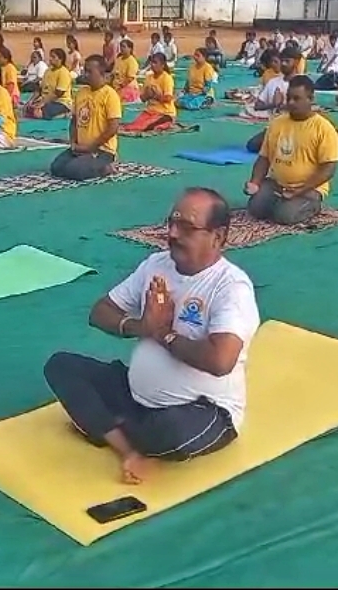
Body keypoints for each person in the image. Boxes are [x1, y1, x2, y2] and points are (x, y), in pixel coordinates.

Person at [43, 187, 259, 485]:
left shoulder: (231, 287)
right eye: (171, 222)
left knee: (171, 431)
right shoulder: (156, 265)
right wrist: (141, 327)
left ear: (218, 237)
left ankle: (104, 424)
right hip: (137, 398)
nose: (172, 233)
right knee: (62, 366)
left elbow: (221, 361)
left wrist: (164, 334)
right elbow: (100, 311)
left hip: (203, 409)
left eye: (187, 228)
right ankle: (127, 445)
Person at [244, 76, 338, 225]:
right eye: (288, 98)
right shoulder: (277, 123)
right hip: (278, 184)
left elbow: (329, 169)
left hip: (309, 188)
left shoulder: (324, 129)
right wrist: (255, 182)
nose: (290, 103)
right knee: (255, 209)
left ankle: (312, 205)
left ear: (311, 99)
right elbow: (264, 158)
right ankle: (281, 200)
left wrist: (300, 190)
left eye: (297, 98)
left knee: (285, 217)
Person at [50, 55, 120, 181]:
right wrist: (73, 143)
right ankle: (86, 162)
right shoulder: (81, 93)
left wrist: (91, 147)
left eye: (89, 71)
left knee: (75, 171)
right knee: (56, 168)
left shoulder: (110, 95)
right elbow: (74, 121)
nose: (85, 74)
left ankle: (107, 167)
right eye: (84, 71)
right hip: (81, 148)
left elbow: (113, 128)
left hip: (101, 150)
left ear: (101, 72)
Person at [121, 52, 176, 133]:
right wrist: (147, 95)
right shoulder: (148, 77)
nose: (152, 65)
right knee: (134, 125)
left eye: (155, 62)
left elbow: (168, 98)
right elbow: (142, 98)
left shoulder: (167, 78)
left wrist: (155, 96)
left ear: (162, 65)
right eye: (152, 62)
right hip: (150, 111)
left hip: (164, 113)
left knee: (146, 126)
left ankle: (167, 122)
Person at [24, 48, 73, 120]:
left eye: (53, 57)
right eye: (50, 56)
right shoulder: (47, 71)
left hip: (60, 102)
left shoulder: (63, 72)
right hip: (45, 100)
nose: (50, 59)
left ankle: (65, 113)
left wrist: (43, 103)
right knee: (28, 108)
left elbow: (58, 94)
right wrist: (31, 101)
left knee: (42, 111)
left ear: (60, 59)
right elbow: (39, 89)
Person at [111, 39, 142, 103]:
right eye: (121, 46)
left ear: (130, 49)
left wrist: (120, 86)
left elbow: (130, 78)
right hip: (117, 86)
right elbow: (113, 72)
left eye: (124, 47)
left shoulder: (132, 61)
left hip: (127, 88)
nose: (122, 48)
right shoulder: (118, 59)